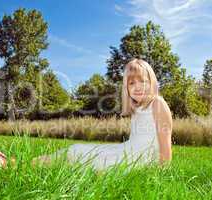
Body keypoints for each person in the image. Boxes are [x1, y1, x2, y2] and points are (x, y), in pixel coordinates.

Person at [32, 58, 173, 172]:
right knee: (76, 149)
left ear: (152, 82)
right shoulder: (137, 109)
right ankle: (31, 163)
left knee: (97, 164)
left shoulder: (158, 104)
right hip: (128, 150)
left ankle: (35, 165)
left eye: (142, 81)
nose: (137, 86)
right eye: (131, 83)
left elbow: (165, 145)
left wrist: (162, 171)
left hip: (142, 160)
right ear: (126, 89)